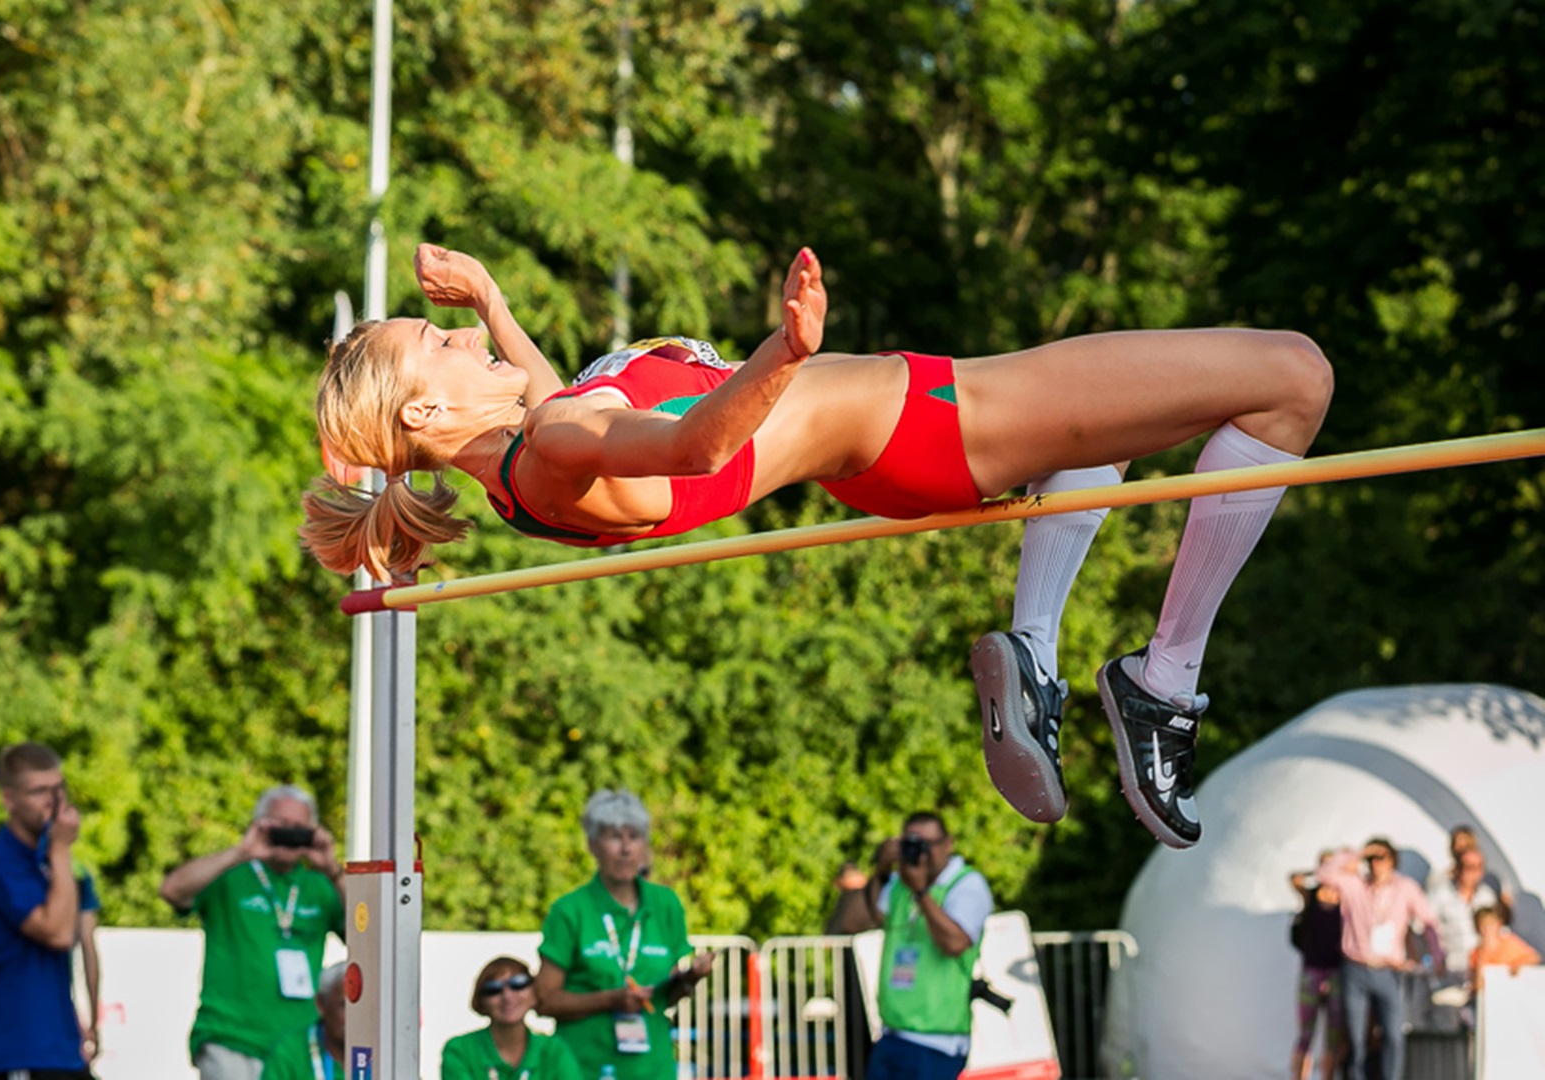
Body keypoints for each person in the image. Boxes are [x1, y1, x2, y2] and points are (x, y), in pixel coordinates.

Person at [302, 244, 1334, 850]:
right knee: (1293, 377)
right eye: (436, 342)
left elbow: (553, 401)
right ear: (427, 410)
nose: (460, 337)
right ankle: (1161, 681)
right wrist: (784, 352)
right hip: (935, 419)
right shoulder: (558, 444)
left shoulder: (522, 471)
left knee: (1124, 426)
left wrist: (492, 302)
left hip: (897, 439)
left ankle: (1037, 648)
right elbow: (693, 447)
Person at [158, 784, 346, 1080]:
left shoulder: (319, 886)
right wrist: (242, 852)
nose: (289, 834)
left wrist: (332, 868)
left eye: (299, 828)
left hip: (298, 1045)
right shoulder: (231, 875)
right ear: (260, 824)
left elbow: (368, 933)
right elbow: (172, 890)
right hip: (232, 1038)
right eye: (280, 825)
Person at [533, 789, 714, 1080]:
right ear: (593, 845)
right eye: (615, 837)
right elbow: (544, 1001)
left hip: (650, 1067)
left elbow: (663, 998)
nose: (626, 848)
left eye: (635, 836)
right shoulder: (570, 910)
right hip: (583, 1066)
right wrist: (610, 999)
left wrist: (690, 978)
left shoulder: (665, 904)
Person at [832, 812, 992, 1080]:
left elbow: (955, 944)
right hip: (891, 1033)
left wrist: (921, 892)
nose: (922, 852)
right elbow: (853, 922)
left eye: (929, 844)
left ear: (948, 844)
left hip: (937, 1040)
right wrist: (881, 870)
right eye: (913, 843)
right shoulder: (899, 883)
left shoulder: (966, 884)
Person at [0, 742, 92, 1080]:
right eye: (38, 791)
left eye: (58, 788)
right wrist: (62, 850)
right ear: (9, 799)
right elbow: (58, 934)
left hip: (59, 1044)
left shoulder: (43, 858)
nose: (53, 801)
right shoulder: (0, 861)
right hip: (20, 1045)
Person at [1317, 840, 1442, 1080]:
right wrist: (1359, 852)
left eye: (1381, 857)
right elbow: (1324, 874)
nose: (1376, 863)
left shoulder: (1405, 888)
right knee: (1356, 1037)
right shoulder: (1355, 886)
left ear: (1392, 860)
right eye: (1372, 858)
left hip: (1388, 971)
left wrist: (1437, 956)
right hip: (1355, 969)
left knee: (1393, 1035)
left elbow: (1429, 921)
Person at [442, 956, 583, 1080]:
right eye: (494, 989)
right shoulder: (459, 1050)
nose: (507, 996)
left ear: (534, 994)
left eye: (518, 984)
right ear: (481, 1002)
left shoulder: (554, 1051)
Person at [1286, 864, 1344, 1080]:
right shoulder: (1311, 896)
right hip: (1311, 973)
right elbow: (1294, 879)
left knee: (1333, 1037)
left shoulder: (1346, 899)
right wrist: (1316, 872)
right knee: (1305, 1034)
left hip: (1336, 973)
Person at [256, 963, 345, 1080]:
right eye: (344, 1006)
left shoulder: (370, 1053)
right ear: (321, 1004)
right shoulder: (290, 1052)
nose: (355, 1018)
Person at [1426, 844, 1495, 984]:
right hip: (1449, 972)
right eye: (1468, 867)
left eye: (1477, 867)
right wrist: (1437, 957)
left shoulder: (1487, 897)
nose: (1472, 872)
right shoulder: (1440, 894)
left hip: (1480, 973)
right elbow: (1426, 927)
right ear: (1457, 868)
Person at [1469, 899, 1540, 992]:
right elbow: (1478, 986)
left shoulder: (1509, 943)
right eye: (1483, 925)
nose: (1487, 929)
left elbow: (1535, 958)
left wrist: (1518, 964)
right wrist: (1481, 956)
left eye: (1490, 924)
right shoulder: (1476, 953)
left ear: (1499, 924)